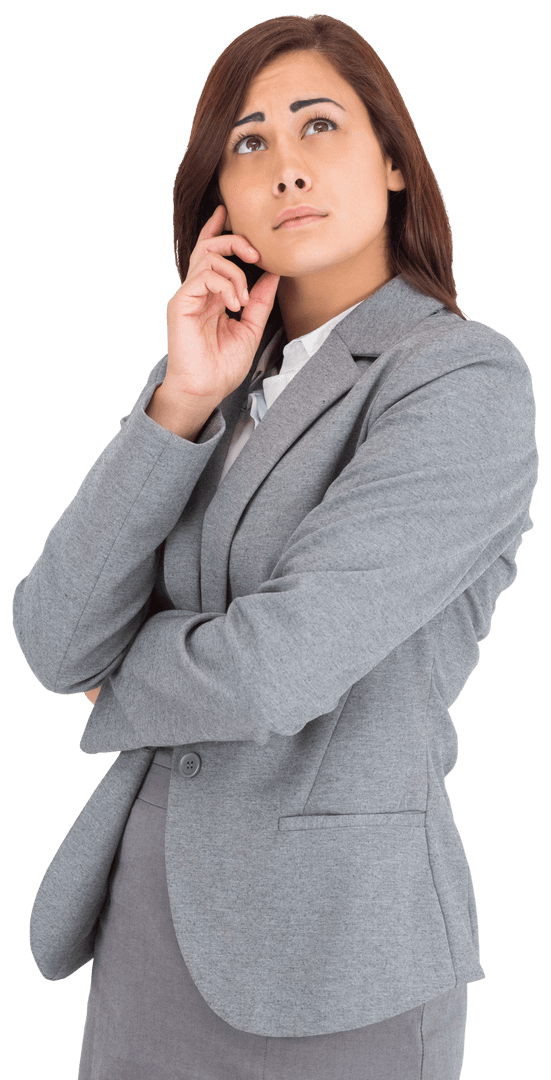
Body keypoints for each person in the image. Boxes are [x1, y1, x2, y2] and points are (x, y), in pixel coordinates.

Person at [12, 14, 538, 1080]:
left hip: (334, 957)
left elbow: (278, 667)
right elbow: (53, 639)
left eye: (317, 127)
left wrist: (125, 682)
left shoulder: (462, 381)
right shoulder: (216, 384)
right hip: (146, 930)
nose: (283, 168)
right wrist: (178, 403)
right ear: (221, 196)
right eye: (249, 144)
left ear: (392, 160)